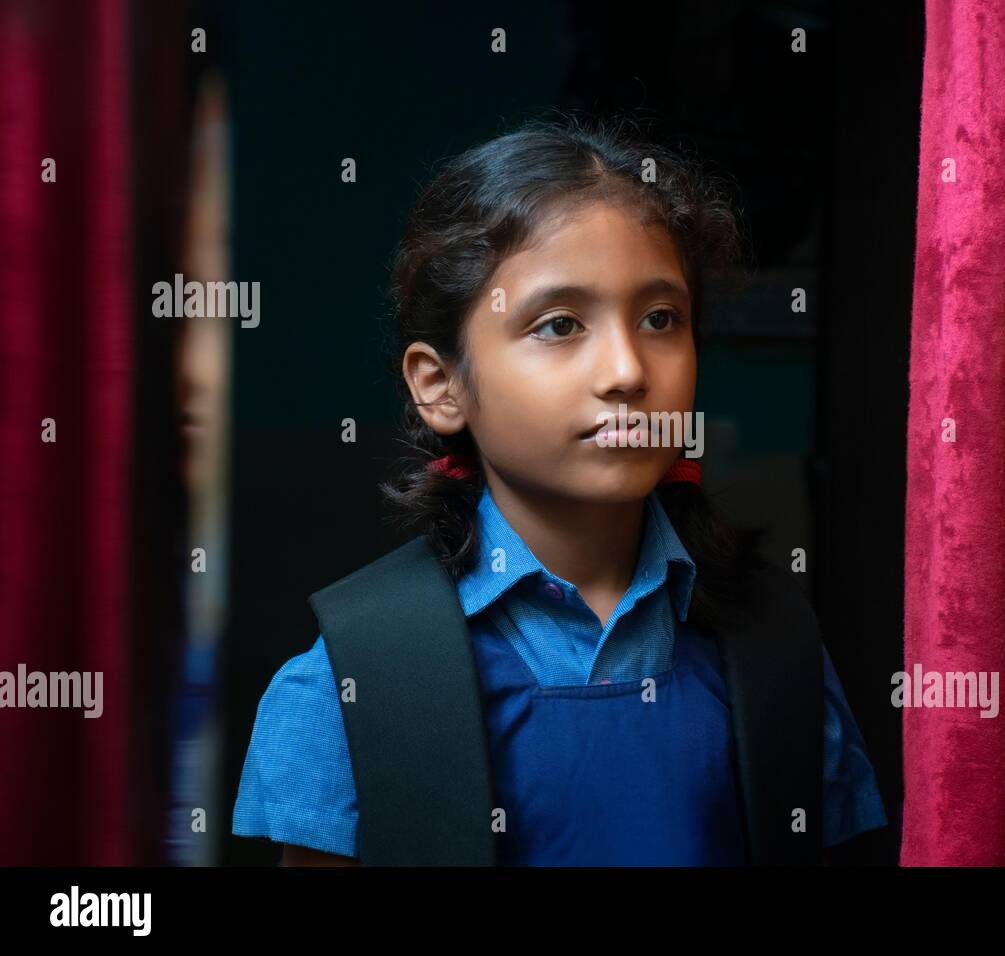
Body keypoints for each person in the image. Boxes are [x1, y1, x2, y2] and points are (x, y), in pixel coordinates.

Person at [231, 112, 886, 866]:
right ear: (441, 387)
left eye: (660, 318)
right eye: (561, 324)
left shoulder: (778, 647)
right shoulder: (352, 680)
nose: (627, 371)